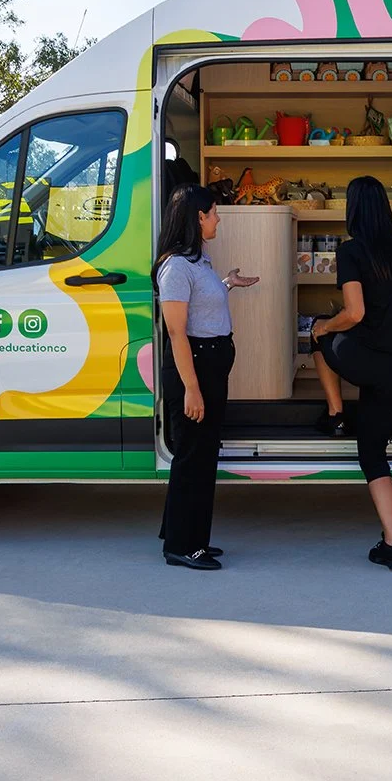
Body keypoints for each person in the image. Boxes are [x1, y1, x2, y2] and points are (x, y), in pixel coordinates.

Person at [312, 175, 392, 571]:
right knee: (374, 454)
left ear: (353, 209)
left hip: (366, 361)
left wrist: (325, 326)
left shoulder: (352, 251)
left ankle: (337, 413)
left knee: (318, 335)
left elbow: (355, 313)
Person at [155, 184, 257, 570]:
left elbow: (203, 305)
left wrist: (228, 283)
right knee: (192, 457)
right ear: (197, 218)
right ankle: (183, 546)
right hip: (193, 367)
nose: (218, 218)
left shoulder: (199, 261)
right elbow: (178, 332)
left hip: (211, 363)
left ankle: (183, 535)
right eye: (214, 212)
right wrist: (192, 389)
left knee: (200, 455)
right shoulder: (176, 266)